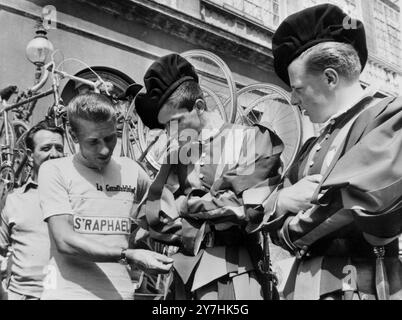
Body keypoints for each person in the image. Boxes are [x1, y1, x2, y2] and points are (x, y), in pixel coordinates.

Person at [261, 3, 402, 300]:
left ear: (329, 78)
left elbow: (363, 204)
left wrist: (287, 221)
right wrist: (283, 200)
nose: (293, 100)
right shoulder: (314, 144)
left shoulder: (389, 117)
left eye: (297, 88)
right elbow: (277, 203)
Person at [133, 53, 284, 300]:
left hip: (237, 275)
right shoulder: (178, 154)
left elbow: (247, 208)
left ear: (200, 107)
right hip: (183, 279)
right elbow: (152, 214)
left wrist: (184, 205)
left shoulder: (250, 138)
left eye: (176, 121)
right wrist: (211, 211)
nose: (172, 132)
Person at [37, 92, 173, 300]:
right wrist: (128, 254)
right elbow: (65, 240)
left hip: (120, 294)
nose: (104, 149)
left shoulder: (131, 170)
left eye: (110, 138)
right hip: (68, 295)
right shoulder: (54, 170)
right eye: (93, 142)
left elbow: (165, 209)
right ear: (73, 136)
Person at [0, 120, 65, 300]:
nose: (54, 154)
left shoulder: (78, 196)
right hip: (23, 295)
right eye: (46, 148)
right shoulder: (13, 200)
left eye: (59, 148)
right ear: (30, 155)